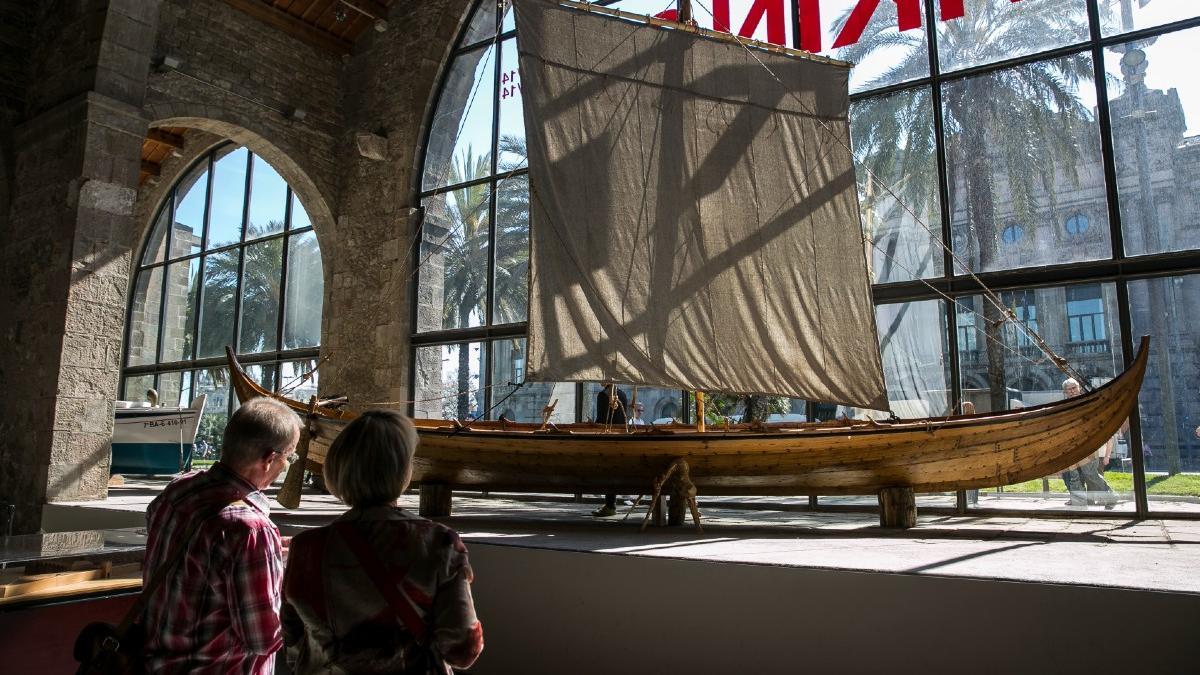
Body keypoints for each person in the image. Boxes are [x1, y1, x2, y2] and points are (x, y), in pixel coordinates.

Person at [282, 410, 484, 674]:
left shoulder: (305, 548)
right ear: (402, 469)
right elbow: (462, 650)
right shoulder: (439, 543)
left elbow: (293, 644)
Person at [143, 397, 301, 674]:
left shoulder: (178, 491)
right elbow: (264, 638)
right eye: (290, 458)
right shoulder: (250, 530)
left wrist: (267, 555)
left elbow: (196, 564)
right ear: (269, 459)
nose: (284, 468)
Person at [1059, 378, 1118, 509]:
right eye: (1069, 389)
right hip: (1070, 446)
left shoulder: (1087, 402)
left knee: (1090, 474)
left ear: (1079, 388)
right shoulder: (1064, 406)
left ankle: (1111, 497)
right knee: (1074, 476)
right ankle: (1079, 503)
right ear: (1065, 392)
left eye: (1074, 388)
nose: (1072, 391)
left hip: (1086, 445)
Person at [593, 383, 627, 516]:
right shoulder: (623, 394)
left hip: (607, 439)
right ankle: (610, 503)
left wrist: (592, 425)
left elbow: (602, 420)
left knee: (607, 470)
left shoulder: (603, 395)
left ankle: (610, 505)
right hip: (620, 438)